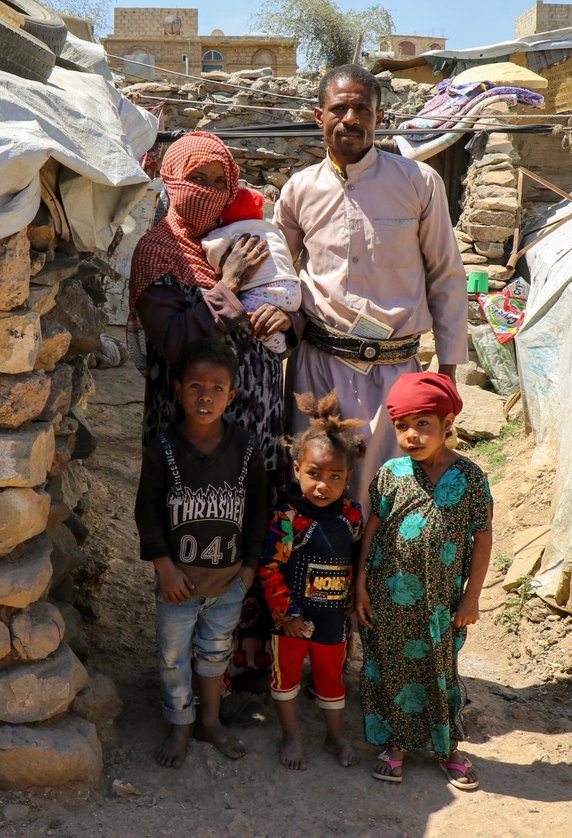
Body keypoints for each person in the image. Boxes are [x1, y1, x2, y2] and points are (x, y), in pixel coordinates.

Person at [277, 64, 468, 496]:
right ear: (318, 116)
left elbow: (446, 275)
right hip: (318, 370)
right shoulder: (298, 190)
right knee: (318, 493)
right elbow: (278, 276)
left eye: (362, 109)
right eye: (339, 108)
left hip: (397, 375)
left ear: (379, 118)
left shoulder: (418, 182)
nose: (350, 119)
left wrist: (448, 371)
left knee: (393, 497)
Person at [130, 131, 297, 483]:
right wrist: (229, 283)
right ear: (172, 180)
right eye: (197, 178)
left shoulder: (239, 236)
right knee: (192, 525)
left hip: (260, 426)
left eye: (220, 181)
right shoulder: (157, 252)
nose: (209, 191)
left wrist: (288, 319)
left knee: (255, 529)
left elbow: (280, 289)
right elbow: (173, 341)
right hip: (190, 436)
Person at [353, 372, 492, 791]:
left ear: (448, 423)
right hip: (387, 597)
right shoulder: (391, 474)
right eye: (402, 426)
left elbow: (482, 537)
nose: (411, 435)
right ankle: (395, 746)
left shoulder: (470, 478)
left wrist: (471, 598)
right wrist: (360, 585)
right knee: (390, 669)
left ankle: (447, 748)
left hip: (441, 601)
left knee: (441, 670)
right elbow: (372, 530)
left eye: (423, 424)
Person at [134, 337, 269, 768]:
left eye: (216, 387)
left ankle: (209, 720)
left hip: (228, 582)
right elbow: (147, 513)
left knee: (215, 653)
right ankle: (180, 724)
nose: (205, 395)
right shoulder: (164, 450)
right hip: (178, 583)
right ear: (178, 389)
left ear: (232, 394)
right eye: (195, 386)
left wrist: (249, 570)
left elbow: (259, 513)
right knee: (173, 656)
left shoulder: (247, 449)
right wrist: (165, 569)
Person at [258, 391, 365, 771]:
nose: (323, 485)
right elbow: (269, 567)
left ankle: (334, 735)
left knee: (332, 678)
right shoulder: (287, 517)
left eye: (335, 476)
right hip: (292, 620)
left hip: (334, 618)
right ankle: (291, 734)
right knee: (286, 677)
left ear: (348, 477)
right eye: (314, 474)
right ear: (297, 470)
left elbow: (355, 561)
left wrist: (353, 599)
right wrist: (287, 614)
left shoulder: (351, 515)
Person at [200, 186, 302, 355]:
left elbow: (213, 247)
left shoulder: (230, 229)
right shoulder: (271, 229)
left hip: (262, 292)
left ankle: (278, 345)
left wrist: (220, 266)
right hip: (293, 289)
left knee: (247, 319)